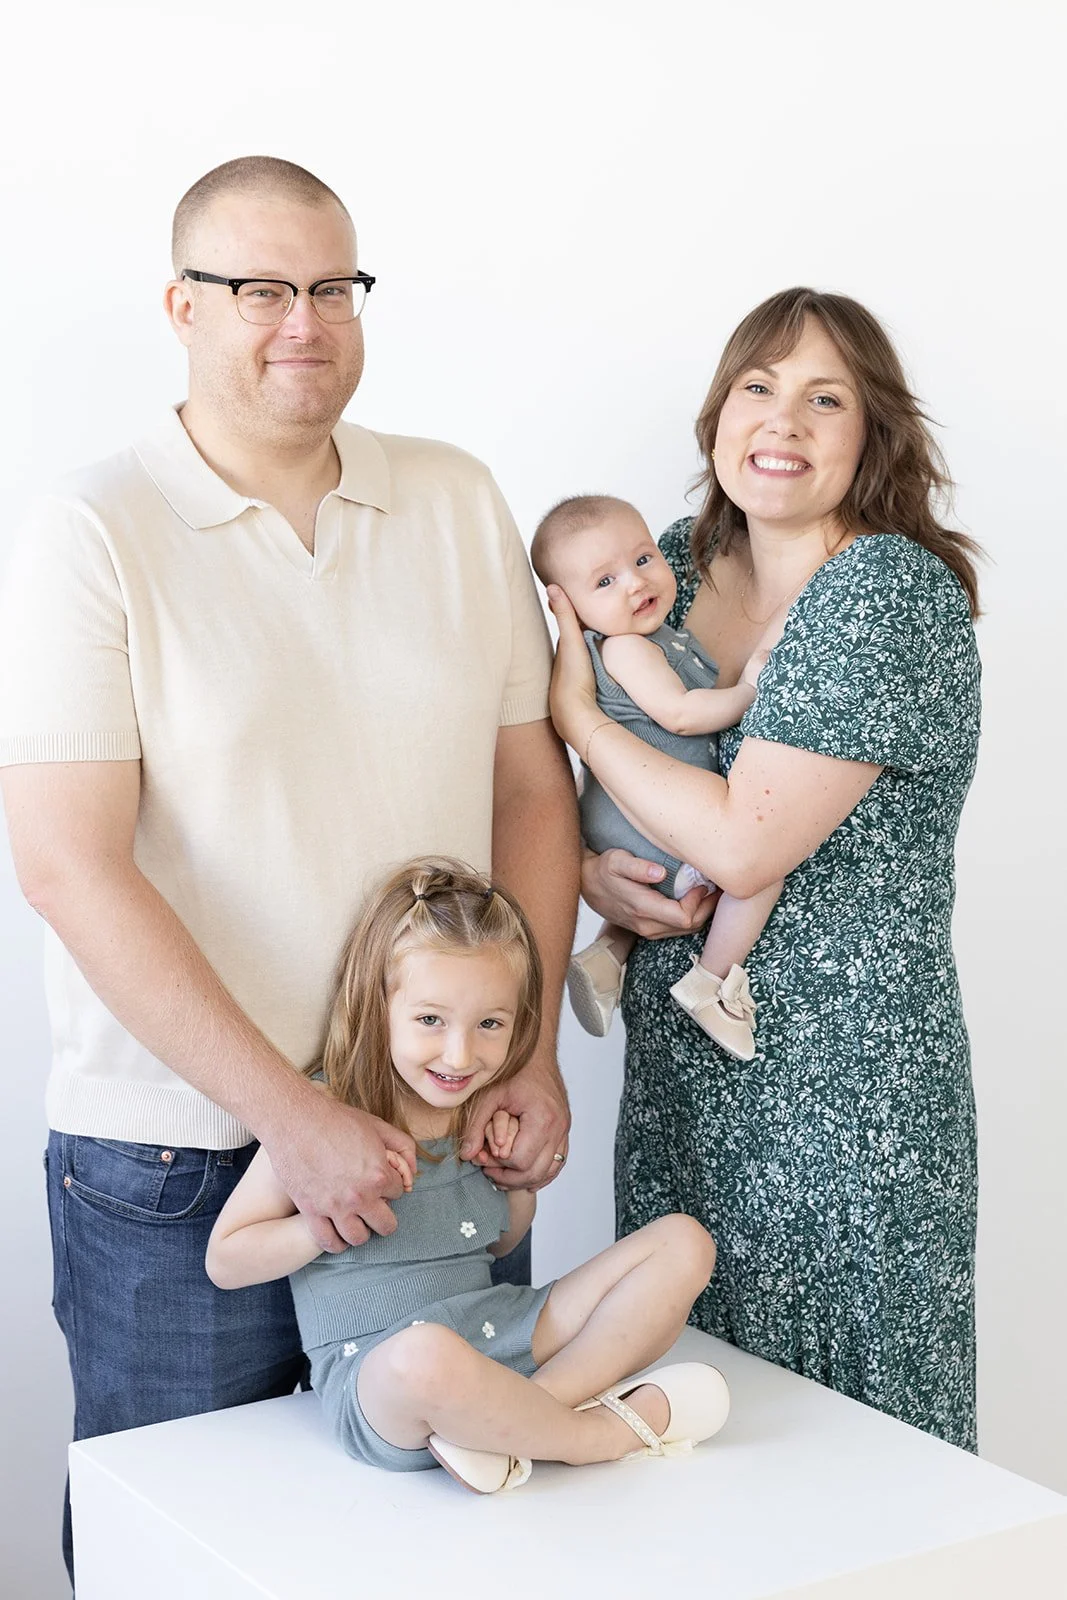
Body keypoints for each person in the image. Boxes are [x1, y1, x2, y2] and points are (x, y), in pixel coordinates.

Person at [0, 156, 578, 1580]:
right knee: (191, 1559)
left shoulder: (452, 498)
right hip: (181, 1164)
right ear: (180, 306)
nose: (300, 323)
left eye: (331, 287)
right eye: (258, 289)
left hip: (434, 1139)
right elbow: (67, 865)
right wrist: (292, 1114)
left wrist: (527, 1054)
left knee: (442, 1538)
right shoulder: (93, 529)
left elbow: (527, 792)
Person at [546, 287, 982, 1452]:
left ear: (869, 434)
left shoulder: (883, 594)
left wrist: (578, 717)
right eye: (758, 386)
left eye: (822, 397)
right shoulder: (664, 576)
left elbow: (740, 839)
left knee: (852, 1461)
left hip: (844, 1096)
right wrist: (592, 872)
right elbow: (604, 812)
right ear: (717, 413)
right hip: (686, 1082)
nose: (780, 420)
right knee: (685, 1440)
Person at [207, 856, 730, 1492]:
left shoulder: (477, 1112)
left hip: (499, 1330)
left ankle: (514, 1423)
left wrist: (515, 1187)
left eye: (490, 1025)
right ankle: (593, 1437)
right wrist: (318, 1230)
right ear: (380, 1005)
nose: (461, 1054)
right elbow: (225, 1261)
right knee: (422, 1354)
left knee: (684, 1242)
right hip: (391, 1382)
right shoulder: (326, 1120)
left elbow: (500, 1244)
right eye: (430, 1020)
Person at [530, 494, 778, 1059]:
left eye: (642, 560)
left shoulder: (646, 638)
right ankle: (712, 984)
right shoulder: (627, 650)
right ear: (565, 608)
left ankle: (607, 954)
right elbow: (682, 714)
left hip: (619, 818)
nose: (634, 584)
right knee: (761, 868)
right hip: (646, 821)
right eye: (605, 582)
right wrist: (747, 690)